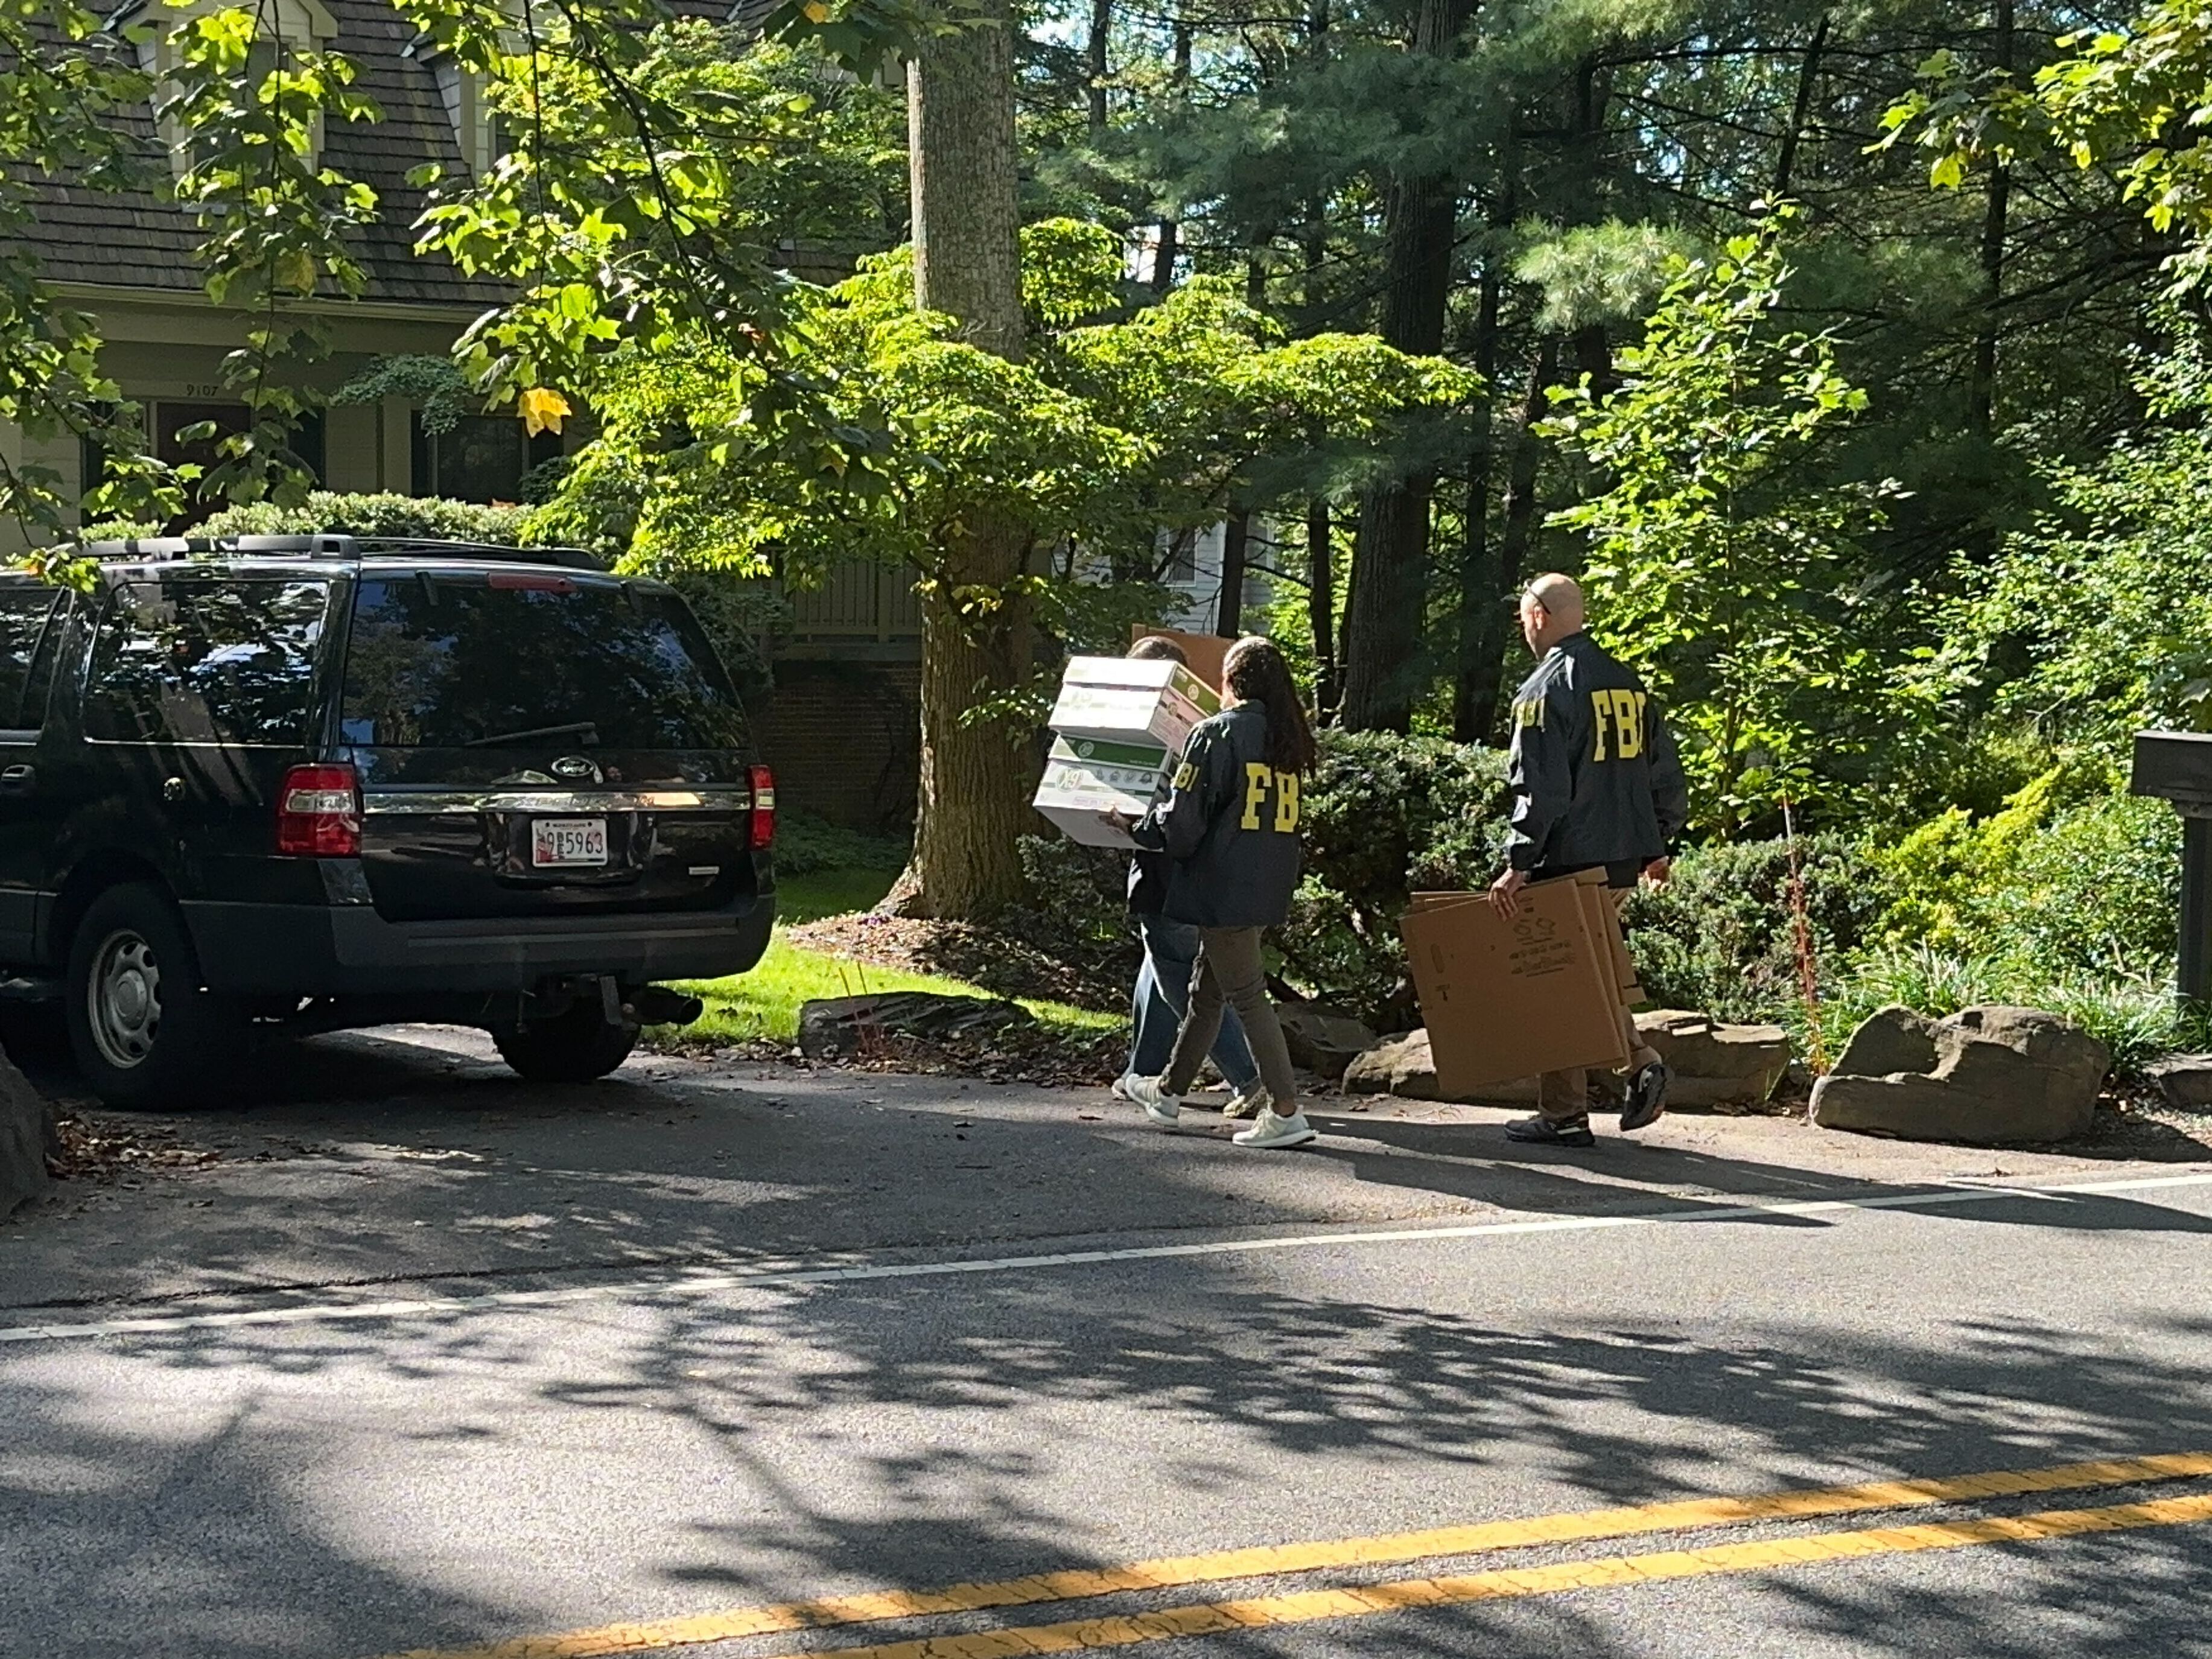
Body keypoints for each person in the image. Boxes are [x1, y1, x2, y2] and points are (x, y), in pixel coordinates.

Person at [1487, 573, 1689, 1149]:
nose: (1523, 627)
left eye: (1524, 616)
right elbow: (1664, 772)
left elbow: (1540, 790)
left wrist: (1518, 861)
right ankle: (1570, 1109)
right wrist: (1659, 844)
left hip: (1569, 857)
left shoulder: (1543, 689)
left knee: (1560, 980)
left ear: (1541, 617)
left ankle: (1613, 1081)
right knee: (1581, 977)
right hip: (1623, 857)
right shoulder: (1626, 682)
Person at [1119, 635, 1317, 1150]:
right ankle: (1167, 1093)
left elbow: (1182, 823)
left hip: (1220, 884)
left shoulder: (1214, 734)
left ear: (1233, 681)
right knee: (1205, 994)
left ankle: (1285, 1109)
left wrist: (1134, 826)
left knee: (1249, 999)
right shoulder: (1287, 737)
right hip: (1264, 882)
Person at [1114, 638, 1268, 1117]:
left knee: (1181, 980)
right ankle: (1141, 1070)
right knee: (1158, 969)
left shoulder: (1164, 731)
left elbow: (1174, 815)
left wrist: (1129, 823)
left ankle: (1249, 1078)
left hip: (1168, 872)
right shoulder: (1207, 727)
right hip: (1200, 873)